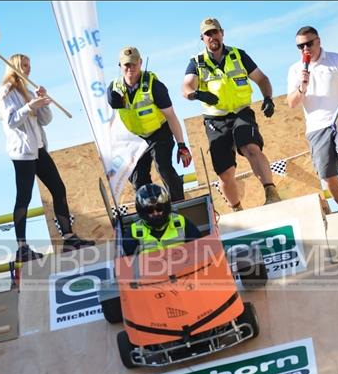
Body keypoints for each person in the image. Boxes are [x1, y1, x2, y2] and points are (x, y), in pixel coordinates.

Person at [0, 53, 94, 263]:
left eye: (29, 65)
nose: (27, 69)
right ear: (13, 66)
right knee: (24, 196)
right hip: (22, 152)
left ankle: (68, 237)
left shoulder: (27, 91)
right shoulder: (5, 92)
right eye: (23, 65)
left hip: (39, 148)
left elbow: (46, 120)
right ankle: (21, 247)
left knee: (59, 188)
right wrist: (30, 106)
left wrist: (44, 102)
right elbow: (11, 121)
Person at [182, 17, 281, 212]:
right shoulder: (196, 63)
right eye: (208, 34)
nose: (212, 36)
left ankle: (271, 193)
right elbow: (186, 87)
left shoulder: (238, 55)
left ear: (222, 33)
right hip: (215, 119)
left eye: (215, 32)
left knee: (252, 148)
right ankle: (237, 209)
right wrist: (198, 94)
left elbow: (262, 79)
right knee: (225, 173)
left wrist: (268, 98)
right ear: (202, 38)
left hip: (241, 112)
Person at [286, 26, 338, 212]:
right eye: (300, 46)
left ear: (318, 41)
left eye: (309, 43)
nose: (305, 49)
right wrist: (302, 87)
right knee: (327, 174)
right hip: (316, 127)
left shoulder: (337, 59)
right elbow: (291, 103)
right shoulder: (295, 70)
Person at [108, 46, 192, 203]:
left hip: (159, 133)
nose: (130, 68)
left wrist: (182, 145)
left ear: (140, 62)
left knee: (163, 167)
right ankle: (151, 211)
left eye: (133, 64)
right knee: (138, 179)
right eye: (126, 64)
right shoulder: (113, 89)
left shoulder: (155, 87)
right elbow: (109, 119)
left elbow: (171, 116)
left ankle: (179, 205)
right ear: (120, 66)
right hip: (135, 138)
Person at [122, 183, 201, 257]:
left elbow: (199, 249)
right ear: (142, 212)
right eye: (150, 210)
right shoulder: (133, 232)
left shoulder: (181, 222)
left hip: (185, 270)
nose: (155, 213)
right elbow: (128, 264)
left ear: (166, 207)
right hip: (151, 271)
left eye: (159, 209)